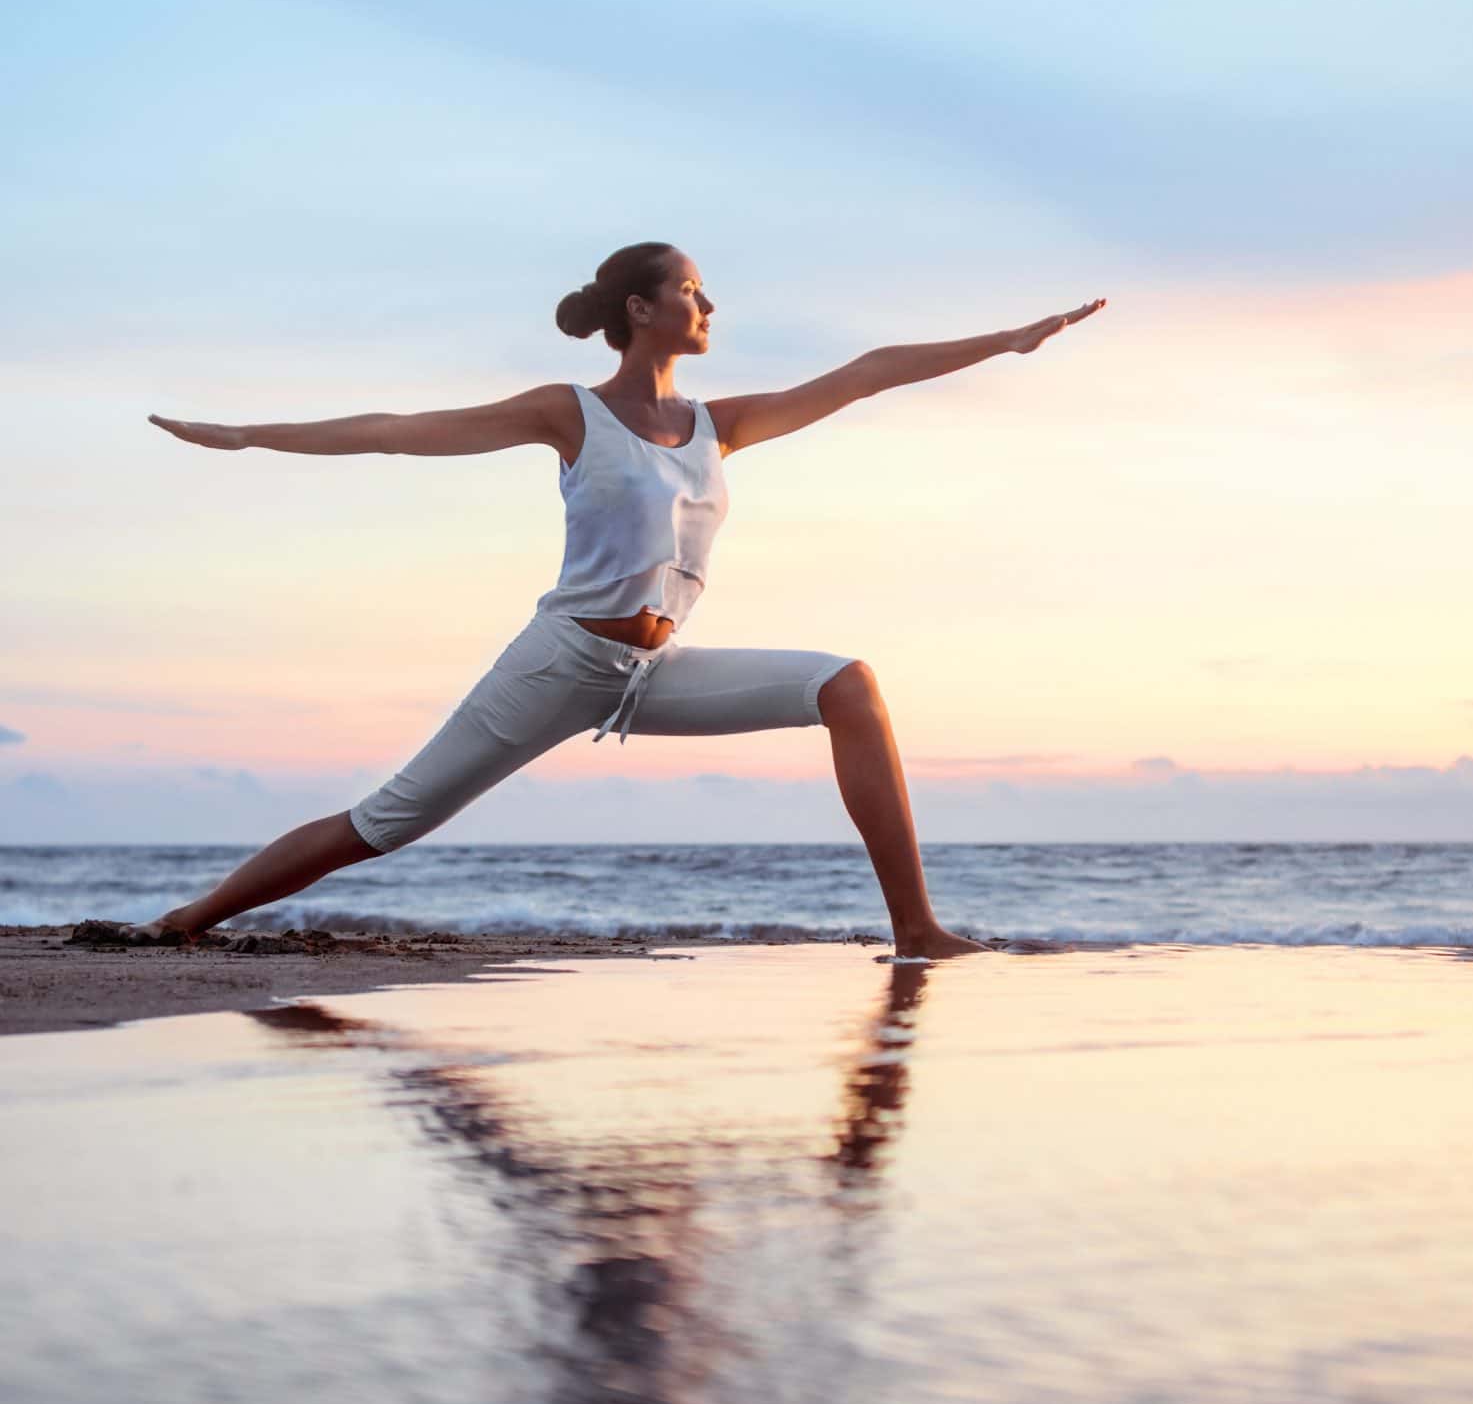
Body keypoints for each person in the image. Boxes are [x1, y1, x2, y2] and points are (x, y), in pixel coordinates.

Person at [137, 242, 1104, 961]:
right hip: (557, 665)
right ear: (641, 309)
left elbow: (864, 374)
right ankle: (186, 921)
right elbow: (401, 430)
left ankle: (917, 930)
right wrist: (246, 436)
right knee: (381, 826)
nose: (709, 301)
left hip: (656, 672)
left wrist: (1009, 342)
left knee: (848, 686)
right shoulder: (573, 412)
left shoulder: (716, 426)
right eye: (691, 288)